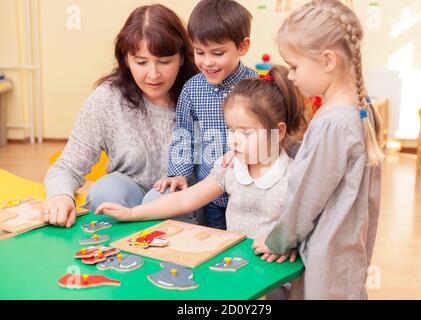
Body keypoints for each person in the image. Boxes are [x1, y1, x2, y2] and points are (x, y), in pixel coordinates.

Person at [252, 0, 384, 300]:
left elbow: (307, 197)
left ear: (327, 61)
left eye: (295, 66)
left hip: (327, 258)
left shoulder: (334, 124)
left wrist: (278, 241)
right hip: (348, 251)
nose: (292, 76)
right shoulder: (363, 109)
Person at [95, 65, 308, 248]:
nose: (234, 140)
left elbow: (306, 225)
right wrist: (132, 213)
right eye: (231, 129)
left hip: (273, 273)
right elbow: (185, 199)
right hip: (236, 265)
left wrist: (286, 246)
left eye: (246, 132)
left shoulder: (292, 176)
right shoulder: (230, 168)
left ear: (278, 131)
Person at [41, 5, 198, 228]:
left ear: (182, 57)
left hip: (183, 209)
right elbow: (67, 167)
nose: (153, 74)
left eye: (164, 61)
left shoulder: (201, 96)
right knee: (107, 189)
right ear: (125, 59)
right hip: (125, 203)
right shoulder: (107, 99)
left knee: (162, 197)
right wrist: (61, 196)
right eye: (141, 62)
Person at [152, 0, 258, 230]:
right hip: (211, 193)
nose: (207, 62)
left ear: (242, 46)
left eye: (218, 53)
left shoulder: (256, 86)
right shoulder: (191, 89)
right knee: (215, 244)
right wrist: (178, 174)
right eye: (199, 52)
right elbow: (184, 135)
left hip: (249, 190)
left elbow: (268, 136)